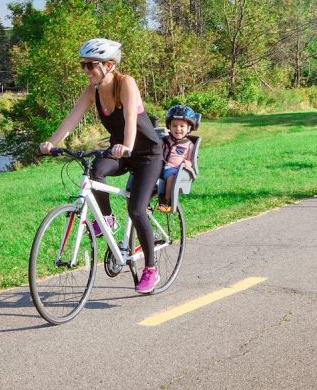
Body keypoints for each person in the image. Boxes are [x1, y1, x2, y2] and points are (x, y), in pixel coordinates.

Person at [39, 38, 164, 294]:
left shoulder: (125, 83)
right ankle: (107, 219)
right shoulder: (91, 91)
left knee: (137, 210)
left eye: (90, 65)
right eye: (82, 65)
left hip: (147, 155)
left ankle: (151, 269)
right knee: (95, 171)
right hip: (121, 152)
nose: (85, 70)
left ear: (108, 65)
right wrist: (51, 143)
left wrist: (126, 145)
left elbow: (130, 119)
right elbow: (71, 119)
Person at [158, 104, 199, 213]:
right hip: (160, 167)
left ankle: (166, 201)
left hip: (174, 169)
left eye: (182, 126)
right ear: (169, 127)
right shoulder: (165, 140)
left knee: (171, 178)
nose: (178, 129)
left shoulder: (189, 145)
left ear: (189, 127)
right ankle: (143, 202)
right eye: (174, 126)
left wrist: (188, 163)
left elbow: (191, 160)